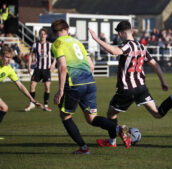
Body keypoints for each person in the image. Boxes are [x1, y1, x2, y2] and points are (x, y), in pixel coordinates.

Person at [88, 21, 172, 148]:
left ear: (122, 33)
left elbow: (114, 51)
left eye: (119, 34)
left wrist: (96, 39)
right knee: (158, 113)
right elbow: (155, 64)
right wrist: (163, 82)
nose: (119, 37)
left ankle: (112, 142)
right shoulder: (141, 47)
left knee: (111, 114)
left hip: (127, 89)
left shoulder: (127, 45)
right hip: (141, 88)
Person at [51, 19, 131, 154]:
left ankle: (83, 148)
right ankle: (118, 129)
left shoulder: (57, 43)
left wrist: (60, 90)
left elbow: (63, 67)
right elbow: (91, 65)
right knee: (92, 118)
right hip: (89, 83)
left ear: (54, 32)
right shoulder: (77, 42)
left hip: (74, 85)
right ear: (67, 29)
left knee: (65, 116)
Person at [0, 46, 42, 140]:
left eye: (10, 58)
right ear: (0, 56)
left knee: (3, 108)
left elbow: (20, 85)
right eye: (7, 57)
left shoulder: (9, 70)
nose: (9, 60)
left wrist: (31, 99)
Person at [25, 28, 56, 112]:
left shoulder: (50, 45)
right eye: (41, 34)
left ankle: (46, 105)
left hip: (46, 69)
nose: (42, 35)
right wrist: (29, 66)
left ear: (46, 35)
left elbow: (57, 54)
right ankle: (31, 103)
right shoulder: (35, 45)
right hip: (37, 69)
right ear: (39, 35)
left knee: (47, 87)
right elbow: (31, 55)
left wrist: (53, 64)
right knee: (32, 86)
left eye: (44, 34)